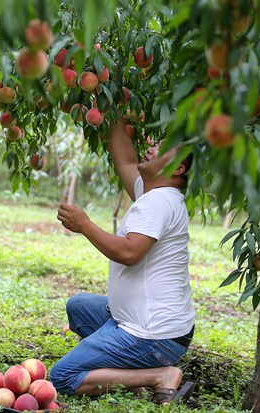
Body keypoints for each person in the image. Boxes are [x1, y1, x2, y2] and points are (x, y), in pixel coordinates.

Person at [50, 118, 196, 405]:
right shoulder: (158, 193)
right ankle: (134, 371)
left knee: (63, 376)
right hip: (160, 327)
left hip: (152, 336)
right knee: (78, 307)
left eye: (161, 148)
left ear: (178, 168)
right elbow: (126, 163)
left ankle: (158, 375)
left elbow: (130, 254)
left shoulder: (158, 203)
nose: (151, 147)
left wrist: (85, 225)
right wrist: (114, 114)